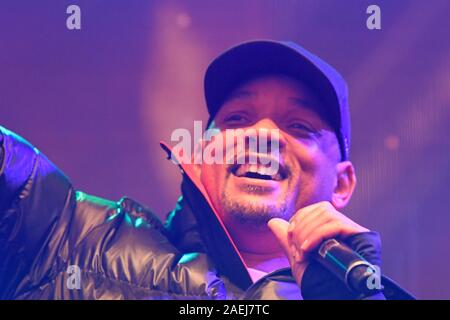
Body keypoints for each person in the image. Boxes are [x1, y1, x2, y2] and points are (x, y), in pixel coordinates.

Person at [0, 40, 413, 299]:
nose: (263, 134)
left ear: (342, 183)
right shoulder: (67, 239)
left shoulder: (361, 293)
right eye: (237, 119)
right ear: (203, 151)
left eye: (298, 126)